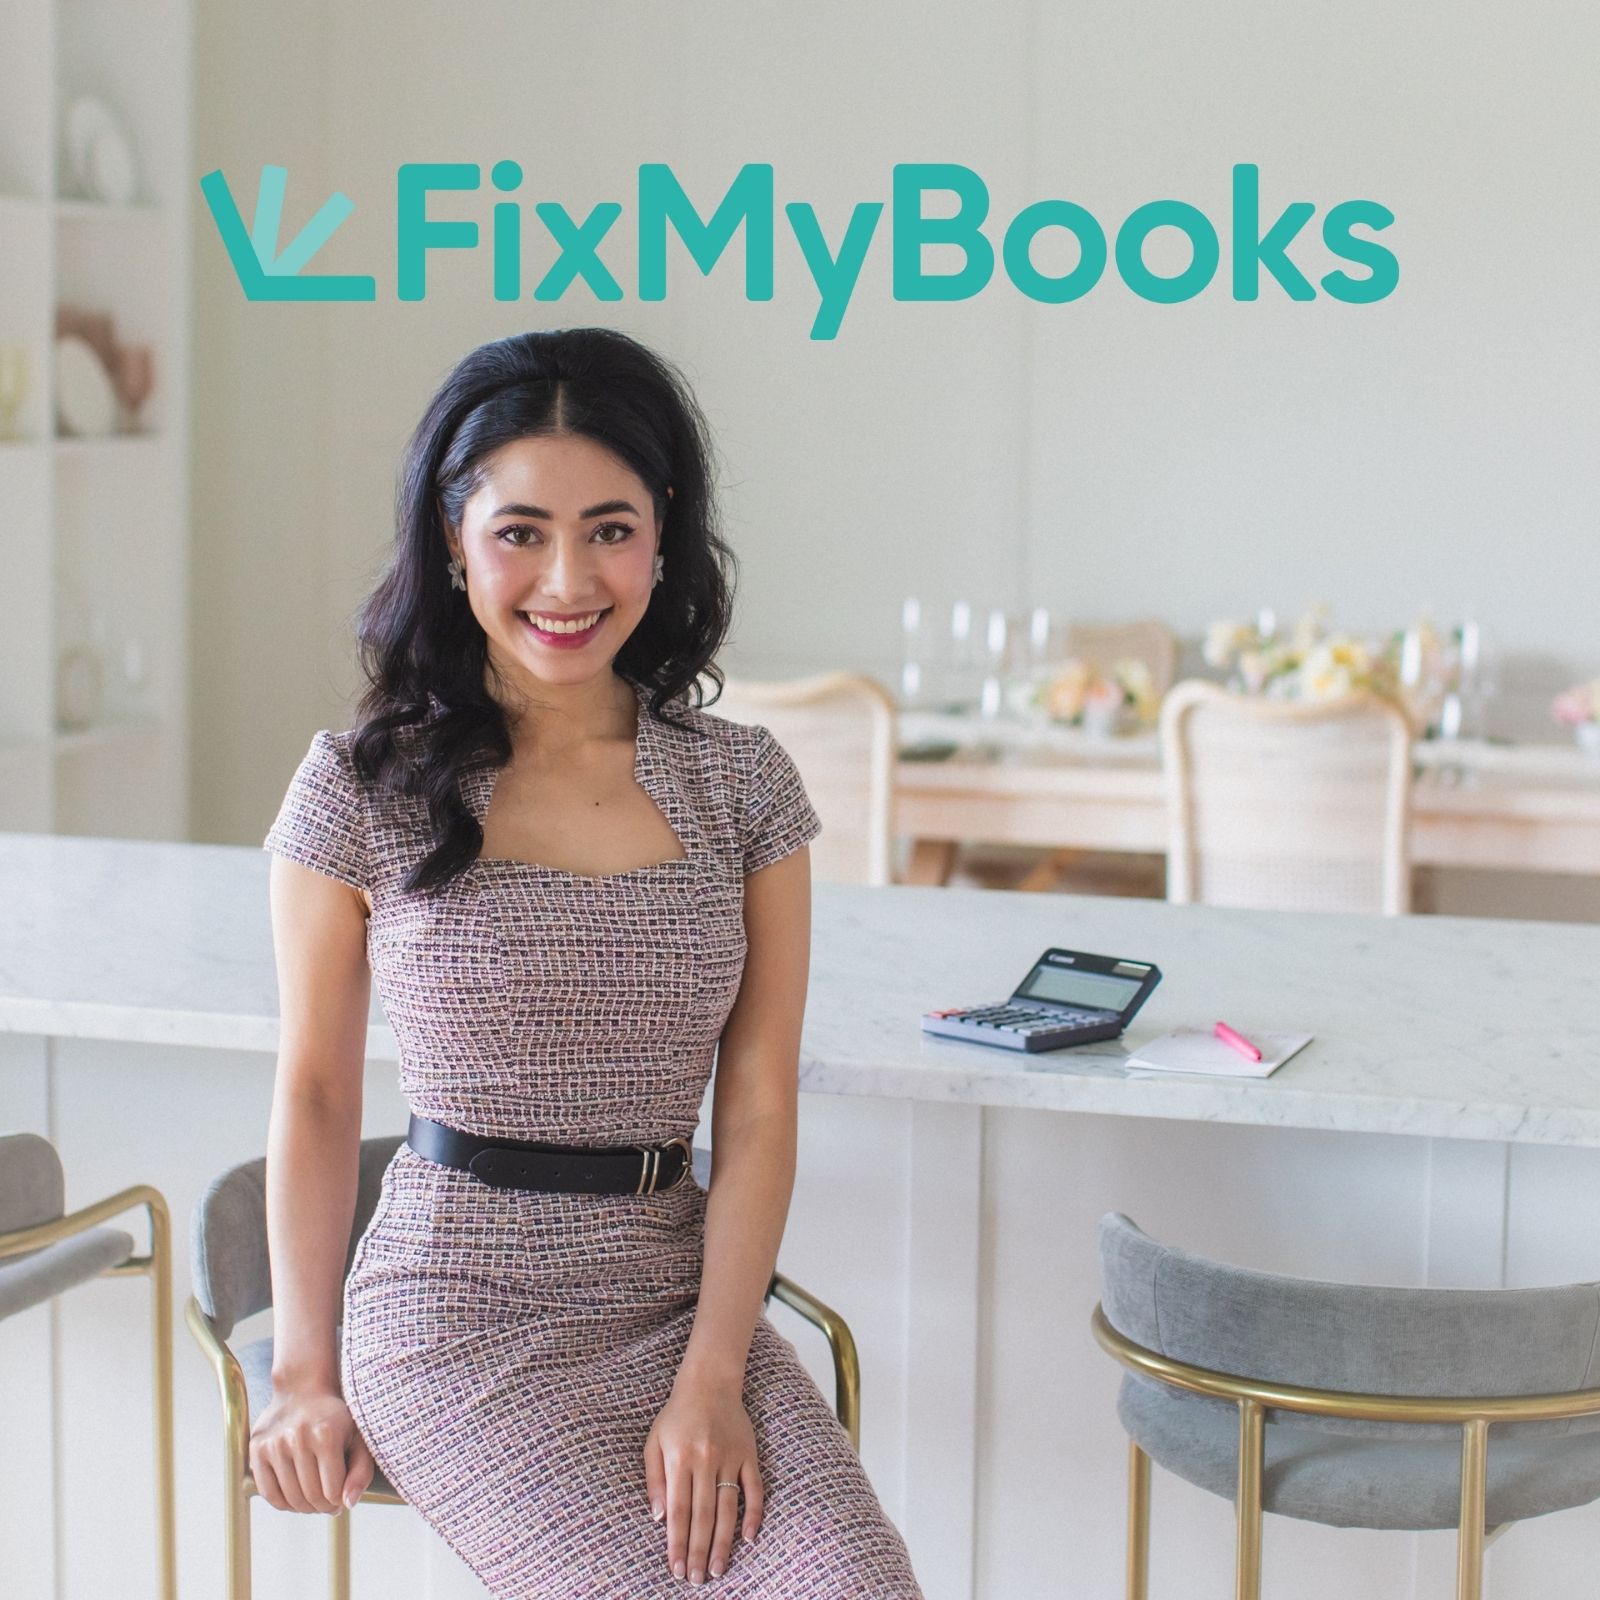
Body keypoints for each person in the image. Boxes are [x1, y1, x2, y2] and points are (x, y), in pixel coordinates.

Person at [254, 327, 923, 1597]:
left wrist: (716, 1374)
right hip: (458, 1318)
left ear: (663, 538)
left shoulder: (744, 786)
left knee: (859, 1585)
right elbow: (318, 1097)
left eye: (610, 528)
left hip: (681, 1303)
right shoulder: (359, 788)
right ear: (453, 541)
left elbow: (762, 1103)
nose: (567, 578)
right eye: (520, 531)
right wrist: (303, 1371)